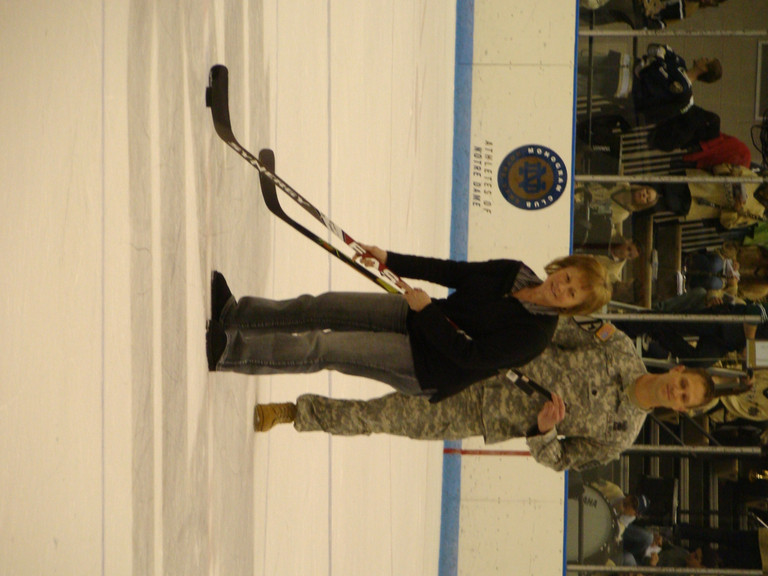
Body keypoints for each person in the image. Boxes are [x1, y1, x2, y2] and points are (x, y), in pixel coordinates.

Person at [251, 318, 716, 472]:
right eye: (684, 383)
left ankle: (296, 412)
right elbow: (549, 329)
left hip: (481, 414)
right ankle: (321, 333)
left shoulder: (620, 437)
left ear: (679, 410)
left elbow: (557, 459)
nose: (677, 391)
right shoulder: (616, 345)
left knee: (385, 416)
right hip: (478, 361)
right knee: (388, 349)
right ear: (677, 370)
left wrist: (542, 431)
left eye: (684, 398)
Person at [206, 247, 611, 403]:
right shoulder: (514, 272)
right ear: (565, 265)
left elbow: (468, 356)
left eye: (573, 294)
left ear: (573, 308)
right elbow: (453, 271)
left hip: (426, 365)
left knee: (323, 347)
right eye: (570, 277)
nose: (564, 287)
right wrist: (389, 259)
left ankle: (230, 352)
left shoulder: (534, 337)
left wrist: (429, 313)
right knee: (324, 306)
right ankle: (237, 316)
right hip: (419, 315)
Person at [616, 300, 768, 367]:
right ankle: (619, 325)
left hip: (726, 344)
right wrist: (751, 343)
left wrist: (749, 372)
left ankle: (656, 330)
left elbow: (751, 357)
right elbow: (753, 311)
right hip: (726, 320)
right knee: (673, 321)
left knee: (699, 362)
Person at [633, 44, 722, 124]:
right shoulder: (680, 63)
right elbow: (659, 48)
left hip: (631, 85)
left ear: (704, 69)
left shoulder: (682, 88)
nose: (703, 58)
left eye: (706, 60)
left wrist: (659, 59)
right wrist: (659, 57)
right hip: (630, 63)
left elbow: (655, 77)